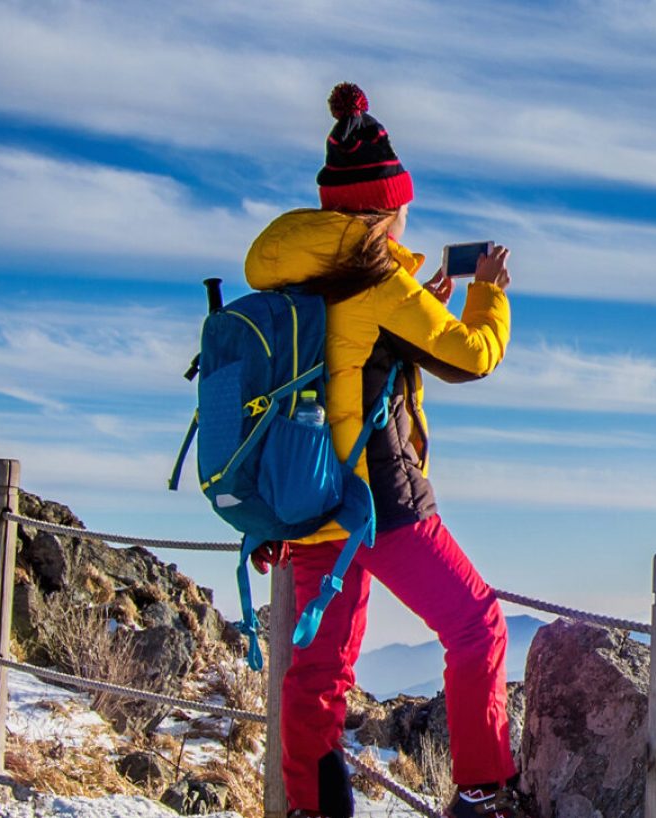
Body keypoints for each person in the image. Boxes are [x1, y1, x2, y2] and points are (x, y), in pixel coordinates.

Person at [242, 82, 519, 818]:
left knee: (320, 672)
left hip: (305, 500)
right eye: (402, 208)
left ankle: (311, 808)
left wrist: (418, 299)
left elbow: (353, 357)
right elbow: (471, 355)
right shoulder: (380, 281)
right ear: (387, 207)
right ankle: (483, 795)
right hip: (381, 506)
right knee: (476, 625)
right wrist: (486, 292)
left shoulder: (304, 273)